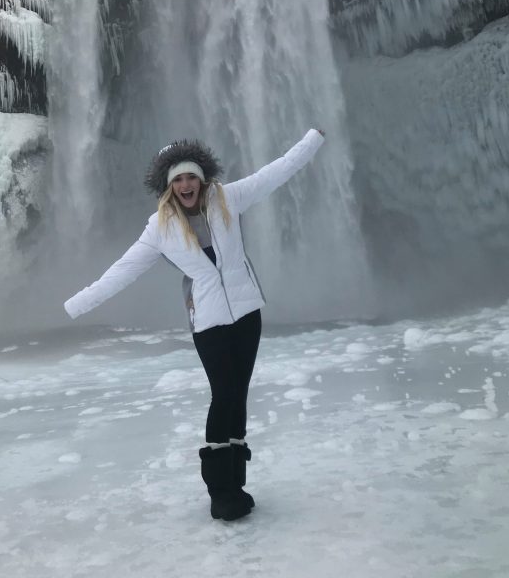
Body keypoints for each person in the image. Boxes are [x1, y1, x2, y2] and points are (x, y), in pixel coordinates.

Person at [64, 128, 325, 521]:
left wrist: (313, 140)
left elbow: (277, 172)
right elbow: (122, 272)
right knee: (223, 396)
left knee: (238, 396)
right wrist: (78, 304)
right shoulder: (160, 228)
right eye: (178, 179)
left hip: (247, 315)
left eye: (191, 176)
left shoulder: (228, 199)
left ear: (201, 178)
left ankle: (235, 483)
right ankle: (220, 491)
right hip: (209, 324)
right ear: (169, 187)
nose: (186, 184)